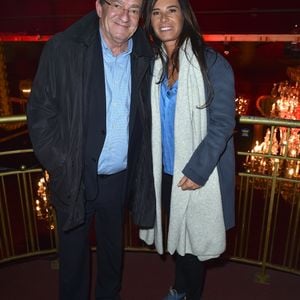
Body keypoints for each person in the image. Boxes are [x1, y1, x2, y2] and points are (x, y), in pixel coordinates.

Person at [27, 0, 155, 299]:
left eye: (134, 9)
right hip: (74, 176)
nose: (125, 16)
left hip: (118, 178)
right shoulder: (63, 48)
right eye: (117, 5)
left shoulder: (145, 56)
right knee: (73, 260)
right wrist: (61, 164)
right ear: (99, 7)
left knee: (113, 256)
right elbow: (40, 113)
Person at [140, 0, 236, 299]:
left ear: (185, 16)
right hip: (166, 172)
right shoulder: (153, 65)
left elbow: (222, 123)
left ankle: (185, 293)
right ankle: (180, 289)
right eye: (156, 12)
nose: (163, 18)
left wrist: (198, 170)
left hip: (197, 173)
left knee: (194, 244)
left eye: (171, 10)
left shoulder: (212, 64)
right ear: (149, 21)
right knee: (181, 238)